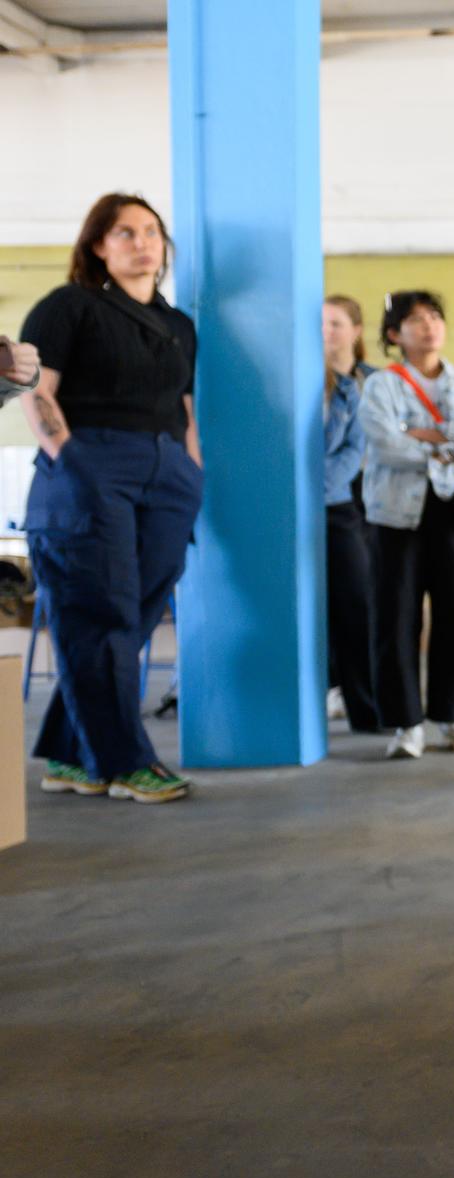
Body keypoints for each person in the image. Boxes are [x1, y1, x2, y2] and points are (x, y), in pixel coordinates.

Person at [16, 193, 205, 805]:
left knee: (130, 619)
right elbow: (37, 392)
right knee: (101, 616)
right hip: (90, 467)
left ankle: (72, 755)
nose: (141, 242)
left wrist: (192, 473)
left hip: (168, 474)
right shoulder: (69, 307)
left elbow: (185, 409)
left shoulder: (179, 326)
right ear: (98, 244)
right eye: (125, 232)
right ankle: (126, 762)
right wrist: (71, 462)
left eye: (151, 231)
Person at [359, 290, 454, 760]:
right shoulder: (382, 385)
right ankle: (406, 724)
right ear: (395, 334)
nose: (429, 326)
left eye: (435, 317)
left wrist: (420, 434)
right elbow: (385, 444)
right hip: (394, 515)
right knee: (395, 617)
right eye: (416, 320)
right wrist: (447, 444)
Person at [322, 294, 380, 734]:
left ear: (356, 331)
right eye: (321, 323)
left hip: (356, 496)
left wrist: (318, 484)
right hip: (327, 496)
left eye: (336, 323)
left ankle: (364, 701)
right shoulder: (305, 378)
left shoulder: (368, 382)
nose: (326, 332)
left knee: (358, 600)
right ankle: (329, 687)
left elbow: (359, 449)